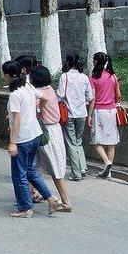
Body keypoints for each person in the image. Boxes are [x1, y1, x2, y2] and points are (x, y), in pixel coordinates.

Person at [0, 60, 61, 218]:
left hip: (23, 138)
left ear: (7, 75)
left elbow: (17, 119)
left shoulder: (15, 94)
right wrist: (37, 111)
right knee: (30, 171)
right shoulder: (27, 86)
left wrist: (12, 143)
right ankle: (51, 198)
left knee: (19, 174)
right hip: (35, 134)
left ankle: (25, 208)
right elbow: (44, 98)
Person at [30, 66, 72, 212]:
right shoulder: (50, 90)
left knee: (55, 169)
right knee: (34, 165)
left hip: (47, 131)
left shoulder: (40, 94)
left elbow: (32, 109)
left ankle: (66, 202)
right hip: (54, 129)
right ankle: (33, 193)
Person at [57, 52, 93, 181]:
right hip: (82, 113)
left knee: (71, 143)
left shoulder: (64, 77)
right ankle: (82, 168)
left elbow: (60, 94)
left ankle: (76, 172)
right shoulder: (84, 77)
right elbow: (90, 97)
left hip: (69, 114)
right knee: (78, 141)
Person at [88, 52, 121, 178]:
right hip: (111, 111)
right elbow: (118, 95)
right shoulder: (112, 76)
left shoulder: (93, 77)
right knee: (111, 143)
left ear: (96, 61)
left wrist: (89, 115)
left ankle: (107, 162)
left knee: (97, 141)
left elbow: (93, 99)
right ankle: (109, 171)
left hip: (99, 111)